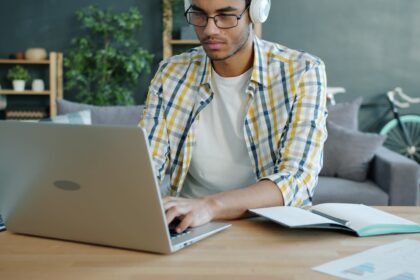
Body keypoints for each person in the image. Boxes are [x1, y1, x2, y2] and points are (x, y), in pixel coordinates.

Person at [140, 0, 327, 233]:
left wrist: (210, 206)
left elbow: (297, 179)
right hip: (186, 223)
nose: (210, 30)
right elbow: (147, 163)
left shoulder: (302, 72)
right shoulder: (171, 72)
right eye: (199, 15)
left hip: (267, 225)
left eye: (226, 16)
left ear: (255, 12)